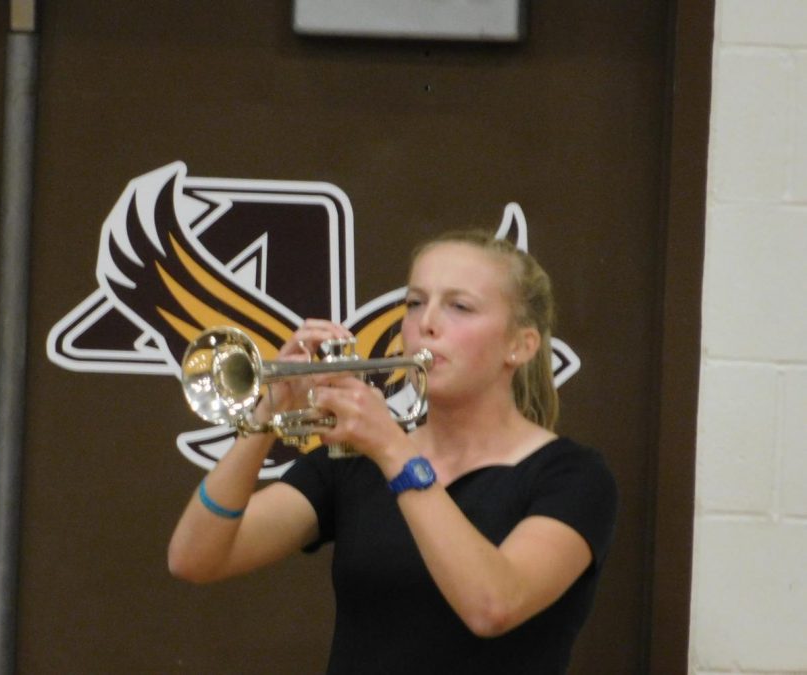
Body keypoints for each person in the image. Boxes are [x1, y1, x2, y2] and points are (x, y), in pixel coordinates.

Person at [168, 229, 618, 674]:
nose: (426, 323)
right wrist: (268, 410)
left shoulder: (572, 476)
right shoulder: (353, 459)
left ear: (521, 345)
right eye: (415, 303)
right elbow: (195, 559)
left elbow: (492, 606)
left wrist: (392, 449)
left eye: (459, 306)